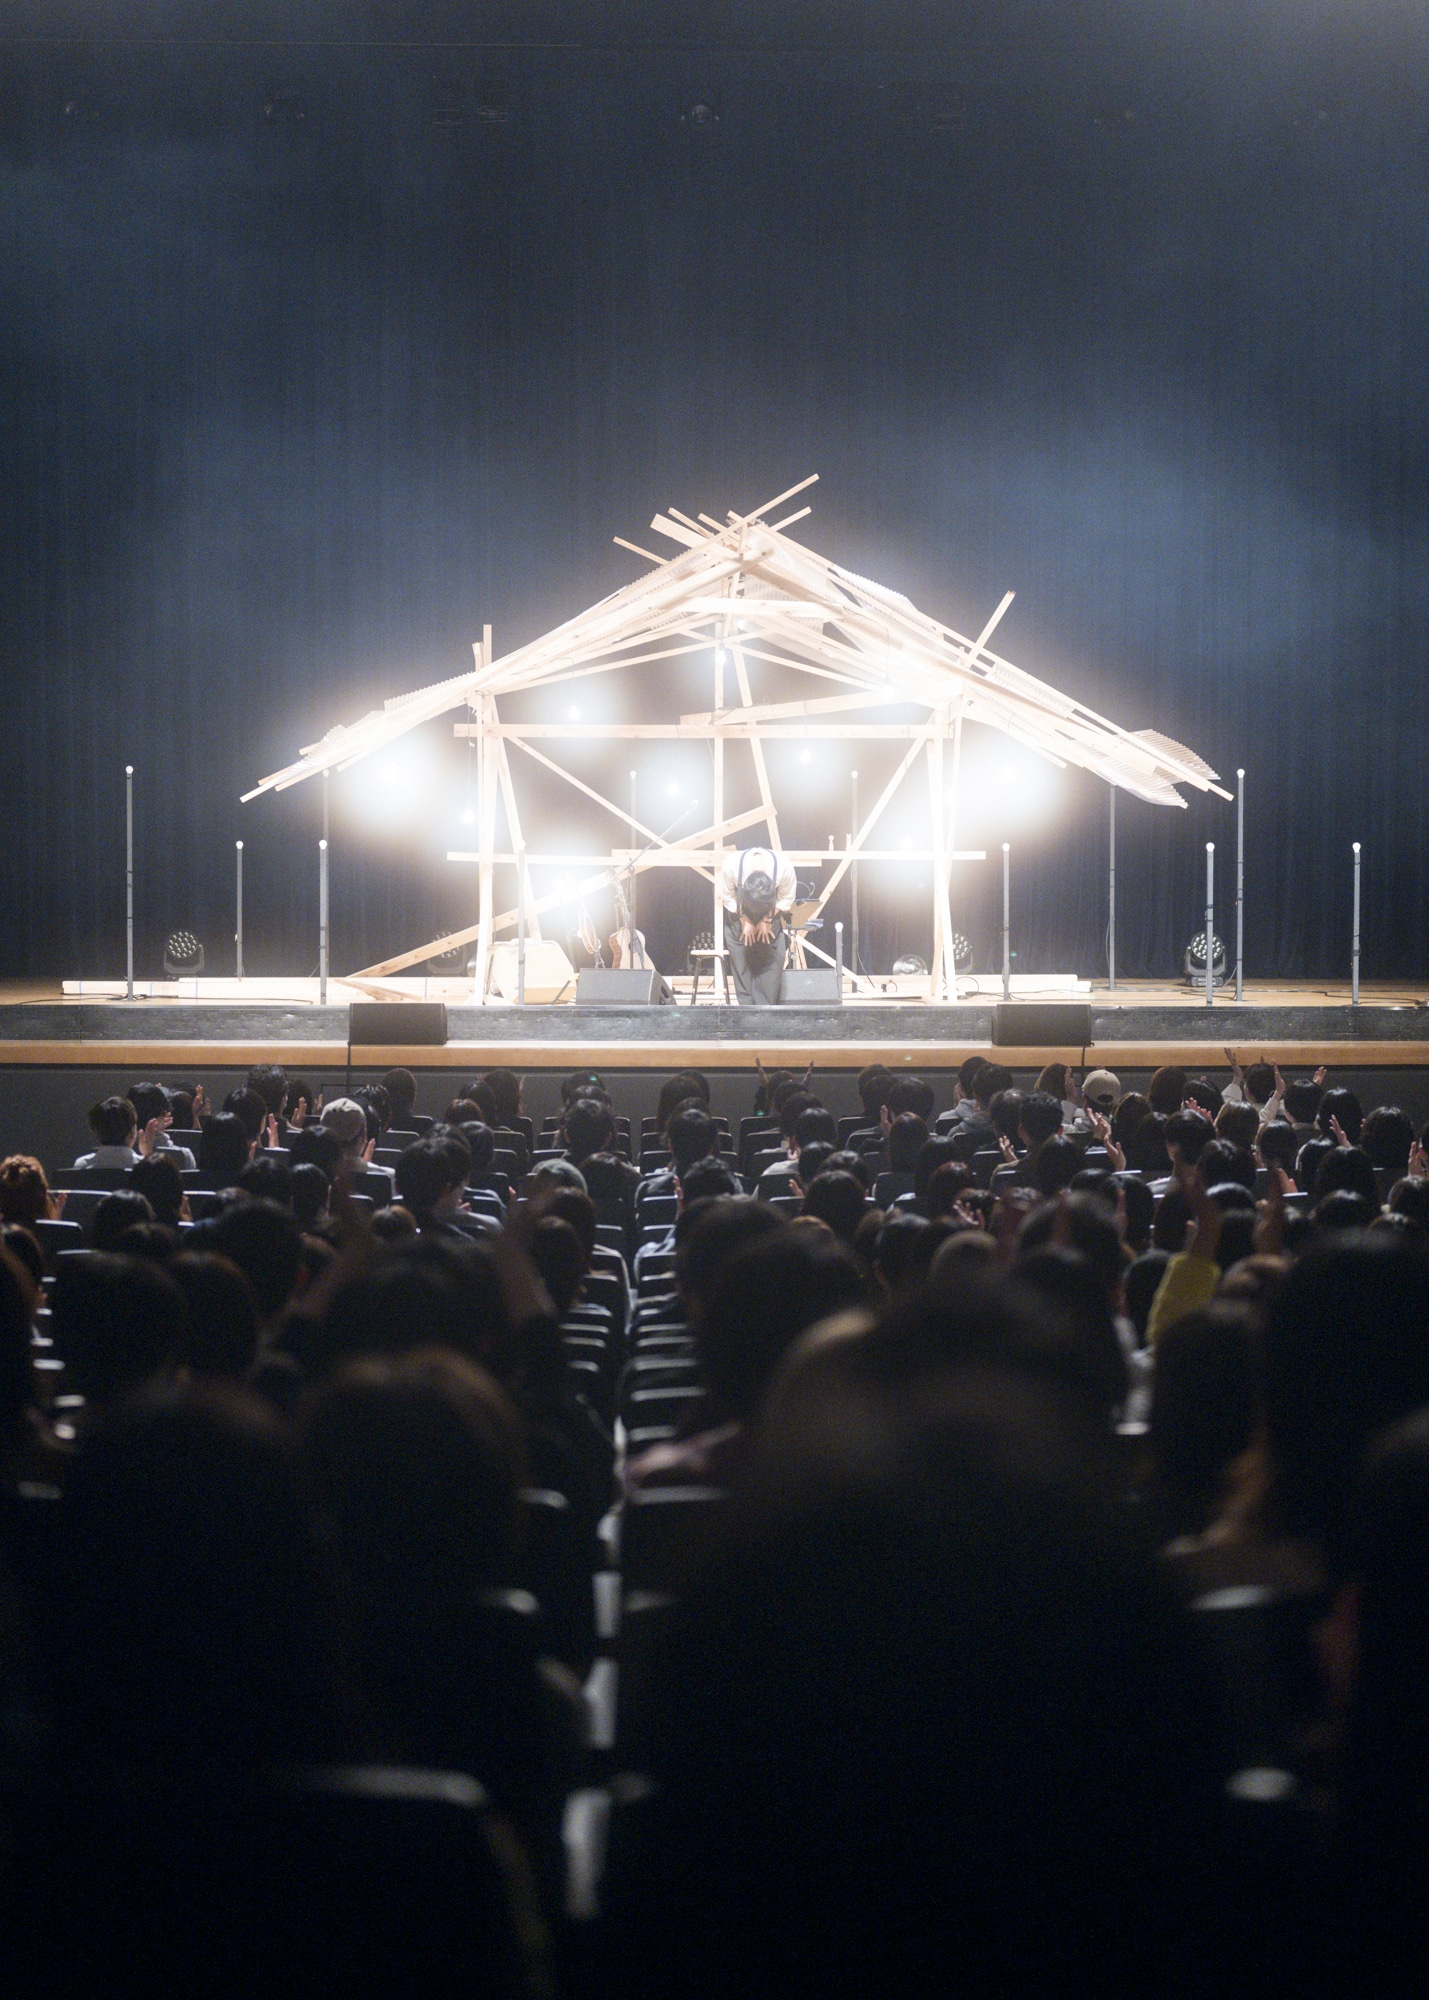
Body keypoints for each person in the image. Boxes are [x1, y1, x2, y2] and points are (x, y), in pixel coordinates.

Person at [719, 845, 797, 1005]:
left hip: (770, 920)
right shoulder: (732, 866)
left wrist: (767, 918)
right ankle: (746, 1015)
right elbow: (728, 896)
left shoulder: (783, 867)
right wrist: (744, 918)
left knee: (769, 977)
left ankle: (765, 1015)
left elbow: (786, 898)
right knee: (743, 974)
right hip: (739, 921)